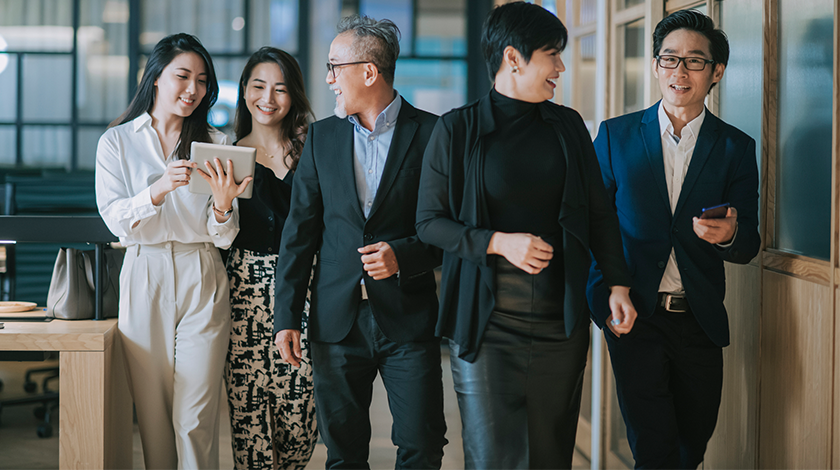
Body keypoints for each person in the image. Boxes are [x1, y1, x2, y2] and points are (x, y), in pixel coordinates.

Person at [415, 2, 636, 468]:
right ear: (513, 58)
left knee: (550, 457)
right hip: (487, 324)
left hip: (561, 324)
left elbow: (599, 213)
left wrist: (617, 282)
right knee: (494, 458)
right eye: (552, 54)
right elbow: (429, 222)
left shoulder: (568, 126)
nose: (560, 66)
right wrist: (499, 242)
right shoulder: (457, 129)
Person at [586, 9, 760, 469]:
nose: (679, 71)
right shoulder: (614, 137)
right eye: (669, 59)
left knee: (691, 447)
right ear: (656, 65)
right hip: (636, 317)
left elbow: (749, 244)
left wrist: (731, 235)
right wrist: (604, 300)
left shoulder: (735, 148)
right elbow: (592, 228)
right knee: (653, 447)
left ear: (716, 72)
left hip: (699, 321)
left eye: (694, 61)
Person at [273, 15, 447, 469]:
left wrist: (403, 256)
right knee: (343, 453)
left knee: (422, 445)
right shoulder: (321, 139)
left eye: (335, 67)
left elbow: (448, 228)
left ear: (368, 71)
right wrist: (286, 317)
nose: (328, 79)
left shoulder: (433, 134)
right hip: (335, 323)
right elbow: (299, 234)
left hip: (409, 319)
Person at [95, 33, 251, 469]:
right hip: (143, 270)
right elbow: (115, 220)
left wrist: (222, 206)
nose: (193, 89)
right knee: (152, 413)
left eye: (202, 80)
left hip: (202, 270)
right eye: (183, 76)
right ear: (156, 77)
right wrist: (159, 189)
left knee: (195, 413)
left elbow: (223, 236)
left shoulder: (218, 143)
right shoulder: (117, 142)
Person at [225, 46, 317, 470]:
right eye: (259, 86)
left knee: (299, 428)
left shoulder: (312, 153)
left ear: (293, 96)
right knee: (250, 427)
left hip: (303, 294)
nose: (268, 97)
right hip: (241, 296)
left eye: (280, 89)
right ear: (245, 91)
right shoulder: (225, 155)